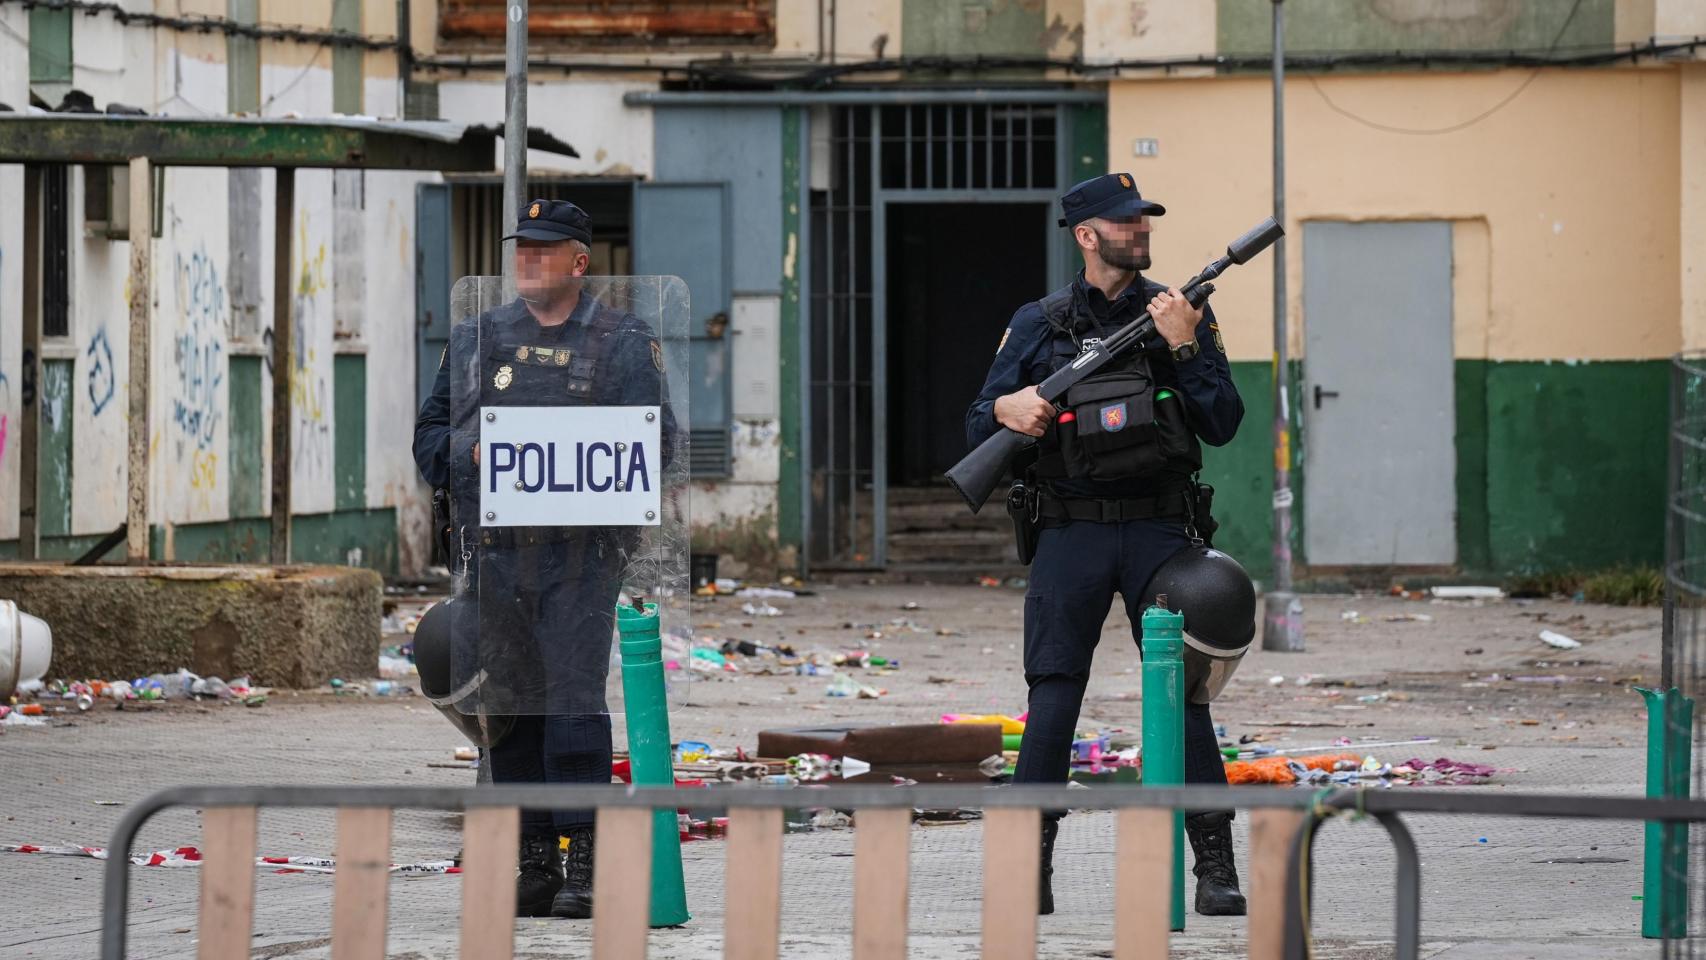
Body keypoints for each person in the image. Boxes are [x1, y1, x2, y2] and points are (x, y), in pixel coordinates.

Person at [964, 173, 1248, 916]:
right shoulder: (1041, 322)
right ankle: (1030, 870)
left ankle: (1215, 869)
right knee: (1054, 694)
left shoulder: (1179, 313)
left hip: (1160, 529)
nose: (1140, 229)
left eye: (1144, 218)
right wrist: (1007, 405)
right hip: (1072, 531)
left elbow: (1222, 423)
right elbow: (974, 426)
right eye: (1125, 221)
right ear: (1086, 236)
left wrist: (1185, 349)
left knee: (1183, 697)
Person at [412, 199, 672, 919]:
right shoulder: (477, 339)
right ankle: (531, 858)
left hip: (580, 558)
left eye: (545, 249)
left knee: (572, 707)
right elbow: (429, 437)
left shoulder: (623, 340)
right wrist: (463, 452)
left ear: (579, 262)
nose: (528, 260)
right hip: (496, 555)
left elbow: (660, 445)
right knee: (511, 709)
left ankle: (584, 855)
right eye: (521, 249)